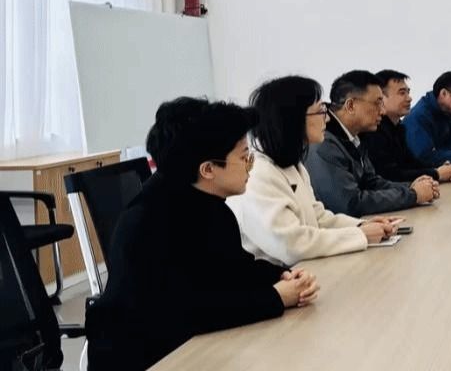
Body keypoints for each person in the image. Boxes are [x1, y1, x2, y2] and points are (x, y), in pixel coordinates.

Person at [87, 98, 319, 370]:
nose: (251, 166)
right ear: (207, 169)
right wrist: (276, 298)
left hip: (187, 344)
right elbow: (189, 310)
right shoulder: (147, 224)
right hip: (146, 358)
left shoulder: (207, 204)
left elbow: (232, 269)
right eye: (244, 157)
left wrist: (281, 275)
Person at [229, 75, 397, 266]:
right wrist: (359, 234)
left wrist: (362, 225)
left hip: (304, 270)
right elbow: (292, 245)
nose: (327, 117)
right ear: (293, 119)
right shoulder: (259, 174)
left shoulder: (293, 165)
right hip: (279, 277)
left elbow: (318, 218)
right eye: (320, 111)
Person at [306, 70, 438, 217]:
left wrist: (411, 187)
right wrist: (412, 195)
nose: (382, 111)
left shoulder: (354, 136)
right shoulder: (323, 143)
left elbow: (371, 182)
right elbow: (350, 203)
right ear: (350, 106)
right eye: (377, 103)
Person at [360, 69, 451, 184]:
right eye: (402, 93)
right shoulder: (374, 131)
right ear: (381, 97)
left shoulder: (397, 128)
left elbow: (410, 163)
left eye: (408, 92)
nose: (409, 98)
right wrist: (436, 174)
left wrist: (439, 168)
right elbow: (389, 175)